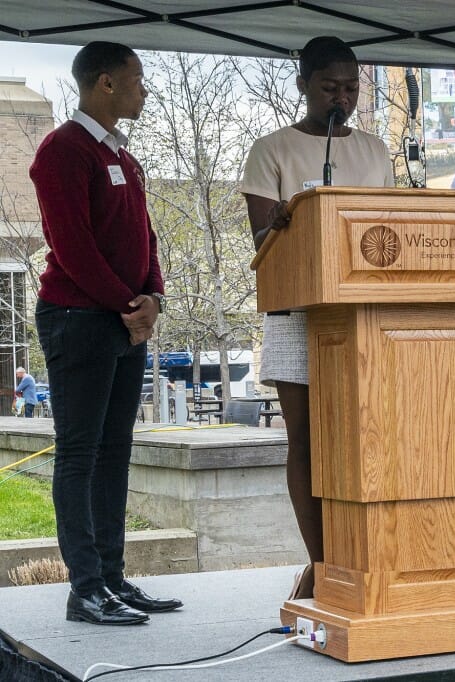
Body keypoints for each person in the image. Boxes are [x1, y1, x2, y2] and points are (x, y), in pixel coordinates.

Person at [29, 41, 182, 625]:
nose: (145, 89)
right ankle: (84, 589)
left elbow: (145, 236)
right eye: (136, 79)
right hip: (79, 319)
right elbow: (72, 247)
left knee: (116, 450)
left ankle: (114, 580)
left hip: (123, 321)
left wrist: (155, 298)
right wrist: (128, 304)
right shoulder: (63, 152)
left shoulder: (123, 154)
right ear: (104, 85)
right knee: (79, 455)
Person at [241, 36, 394, 601]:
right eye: (330, 87)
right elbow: (260, 244)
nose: (343, 98)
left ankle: (363, 554)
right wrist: (286, 222)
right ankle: (321, 560)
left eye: (352, 87)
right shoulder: (271, 150)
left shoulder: (376, 151)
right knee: (305, 439)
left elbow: (390, 234)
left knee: (363, 433)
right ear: (303, 84)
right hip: (297, 313)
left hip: (364, 315)